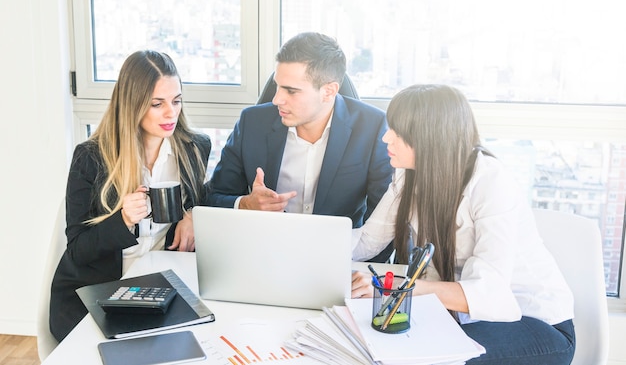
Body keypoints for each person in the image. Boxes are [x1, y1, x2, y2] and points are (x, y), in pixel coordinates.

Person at [351, 85, 575, 365]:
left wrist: (399, 288)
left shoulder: (490, 182)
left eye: (398, 131)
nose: (386, 137)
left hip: (537, 325)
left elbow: (491, 294)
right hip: (467, 318)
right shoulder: (409, 176)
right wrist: (307, 247)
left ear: (430, 137)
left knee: (417, 355)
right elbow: (366, 242)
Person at [49, 50, 212, 342]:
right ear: (132, 105)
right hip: (99, 294)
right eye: (157, 104)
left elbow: (206, 198)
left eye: (176, 101)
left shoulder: (194, 148)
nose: (171, 113)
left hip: (161, 290)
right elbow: (78, 250)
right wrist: (123, 220)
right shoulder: (91, 157)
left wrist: (192, 215)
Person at [207, 32, 393, 252]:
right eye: (277, 86)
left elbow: (384, 220)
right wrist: (246, 204)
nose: (277, 99)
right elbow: (213, 198)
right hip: (264, 253)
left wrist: (365, 277)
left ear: (328, 91)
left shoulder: (371, 128)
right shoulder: (252, 123)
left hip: (338, 256)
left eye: (291, 91)